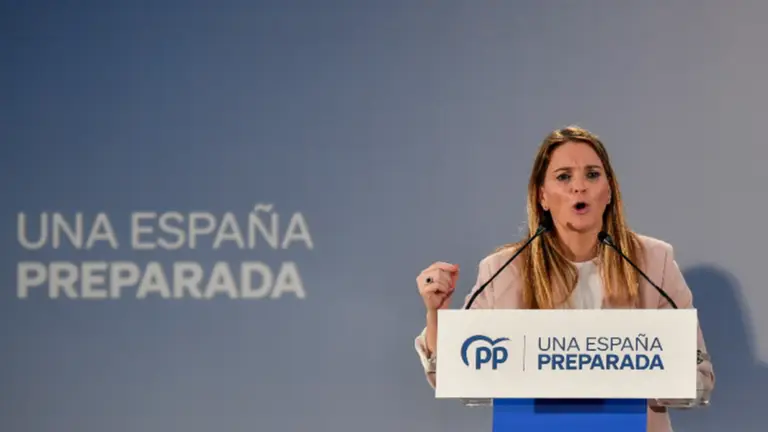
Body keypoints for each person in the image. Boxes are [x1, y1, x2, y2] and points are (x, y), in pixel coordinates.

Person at [413, 125, 715, 432]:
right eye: (564, 177)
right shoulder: (504, 270)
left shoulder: (652, 262)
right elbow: (449, 372)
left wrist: (640, 374)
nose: (579, 187)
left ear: (609, 191)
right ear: (542, 196)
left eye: (592, 175)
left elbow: (699, 377)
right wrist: (436, 313)